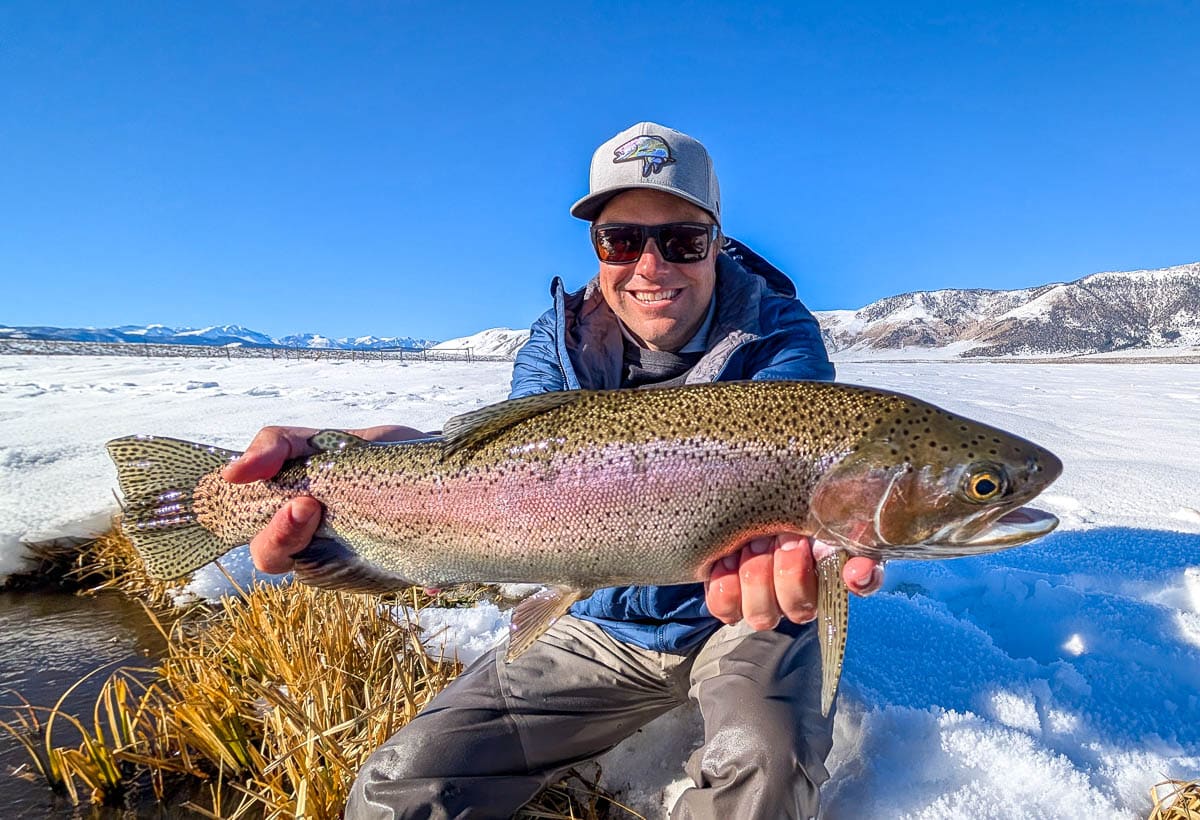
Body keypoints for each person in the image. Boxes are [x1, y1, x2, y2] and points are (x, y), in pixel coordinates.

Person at [225, 122, 885, 819]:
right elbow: (516, 473)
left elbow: (807, 461)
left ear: (717, 240)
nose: (651, 266)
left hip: (745, 616)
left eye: (682, 241)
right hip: (595, 619)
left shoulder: (780, 335)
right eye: (622, 240)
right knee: (398, 789)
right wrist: (378, 464)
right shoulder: (558, 337)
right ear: (597, 247)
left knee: (765, 779)